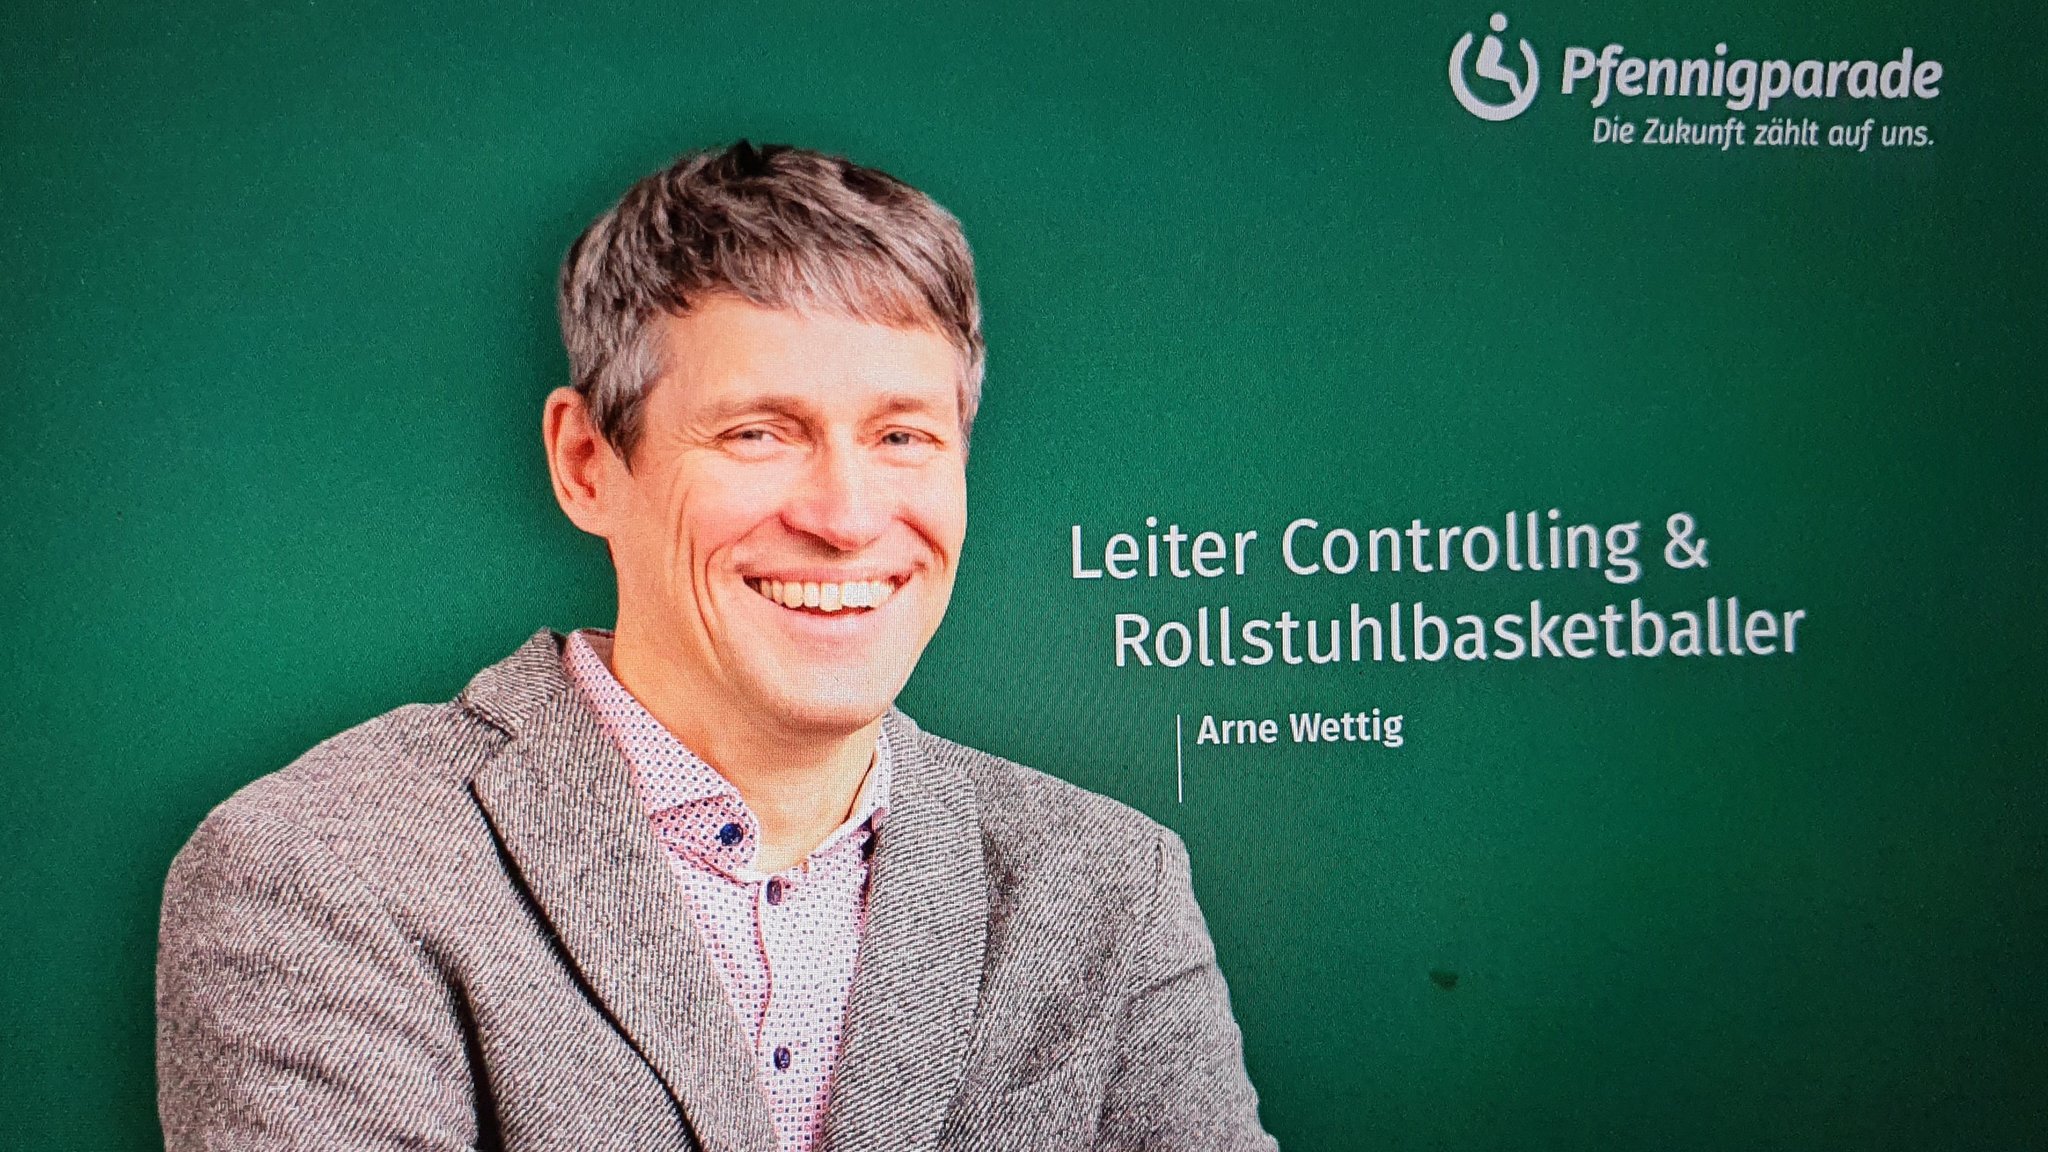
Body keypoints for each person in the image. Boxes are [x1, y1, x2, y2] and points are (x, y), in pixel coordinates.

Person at [156, 141, 1277, 1152]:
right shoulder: (325, 867)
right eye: (758, 432)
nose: (844, 515)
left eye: (901, 435)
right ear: (587, 461)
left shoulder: (1107, 888)